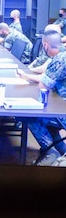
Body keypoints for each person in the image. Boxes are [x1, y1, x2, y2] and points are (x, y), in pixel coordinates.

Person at [19, 31, 66, 164]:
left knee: (30, 115)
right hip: (60, 105)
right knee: (49, 122)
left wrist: (27, 77)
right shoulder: (62, 54)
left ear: (45, 45)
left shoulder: (60, 59)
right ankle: (61, 152)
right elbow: (48, 76)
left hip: (63, 111)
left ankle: (50, 153)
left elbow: (43, 85)